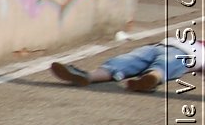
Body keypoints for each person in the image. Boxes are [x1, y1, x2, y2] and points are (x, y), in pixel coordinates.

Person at [50, 36, 201, 92]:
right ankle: (86, 76)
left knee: (162, 64)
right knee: (124, 61)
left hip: (184, 54)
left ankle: (152, 78)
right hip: (157, 46)